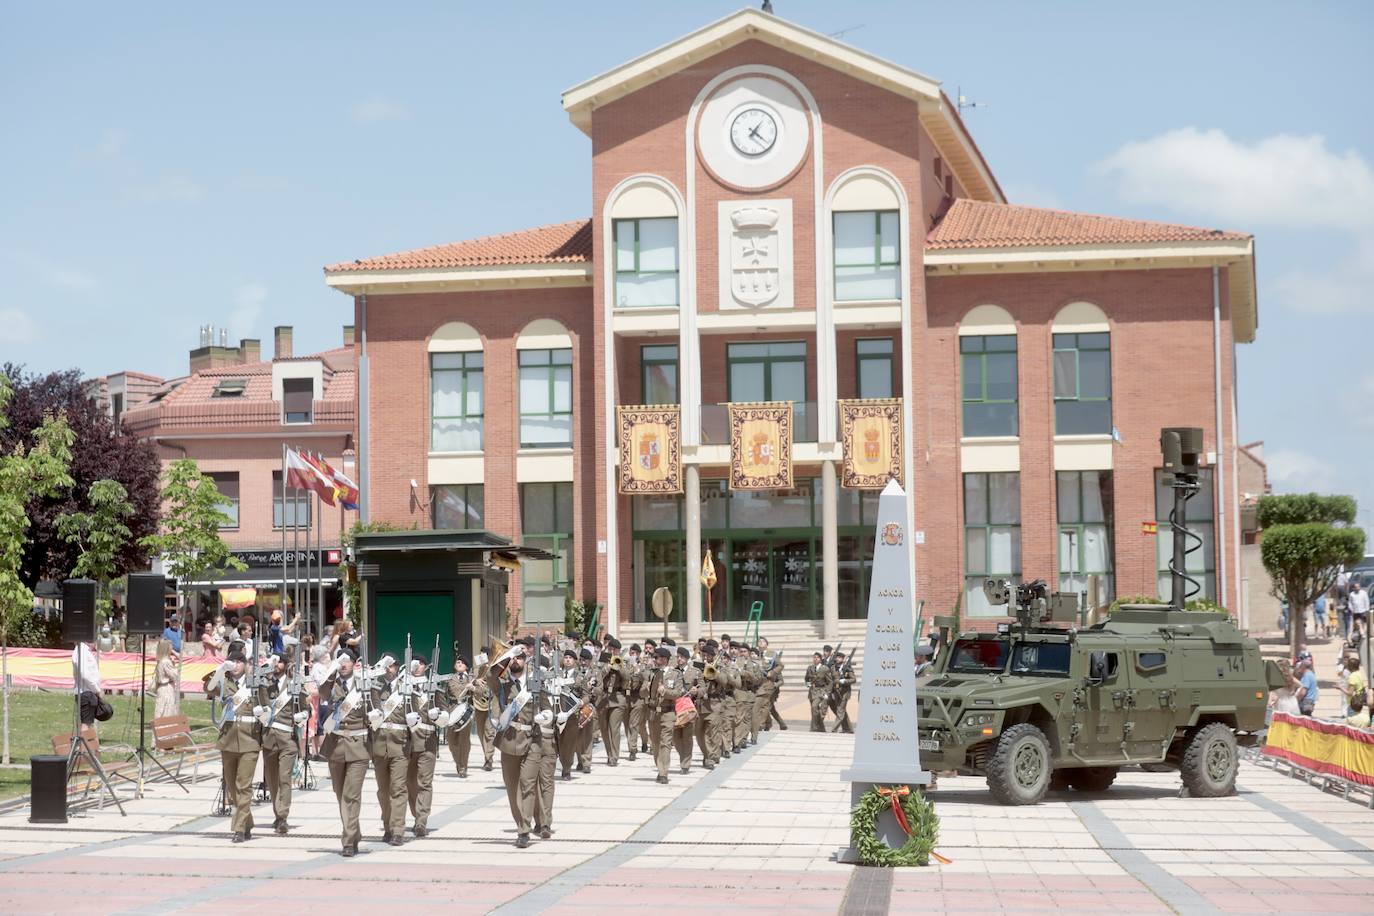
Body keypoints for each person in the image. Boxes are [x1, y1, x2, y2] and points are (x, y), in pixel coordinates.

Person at [490, 643, 558, 848]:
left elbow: (548, 708)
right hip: (509, 740)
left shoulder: (535, 684)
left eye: (520, 658)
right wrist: (508, 653)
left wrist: (545, 715)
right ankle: (521, 822)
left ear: (526, 661)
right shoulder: (502, 684)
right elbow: (489, 674)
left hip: (532, 741)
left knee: (528, 786)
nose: (516, 661)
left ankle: (524, 830)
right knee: (513, 789)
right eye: (514, 658)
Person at [202, 650, 259, 843]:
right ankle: (247, 821)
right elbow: (207, 687)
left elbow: (266, 706)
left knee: (244, 785)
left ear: (245, 664)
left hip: (249, 739)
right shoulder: (223, 682)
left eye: (238, 662)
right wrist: (220, 669)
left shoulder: (255, 683)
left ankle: (239, 828)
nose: (235, 665)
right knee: (232, 788)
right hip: (227, 739)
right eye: (231, 662)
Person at [319, 649, 370, 857]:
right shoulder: (332, 684)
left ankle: (347, 840)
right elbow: (322, 693)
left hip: (359, 746)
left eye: (347, 660)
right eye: (341, 661)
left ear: (354, 663)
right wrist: (331, 669)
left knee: (351, 795)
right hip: (336, 745)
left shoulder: (363, 684)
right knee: (340, 794)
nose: (344, 664)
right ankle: (354, 832)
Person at [369, 654, 410, 846]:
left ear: (397, 667)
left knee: (398, 789)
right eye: (385, 665)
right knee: (383, 791)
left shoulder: (406, 689)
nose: (388, 669)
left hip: (400, 745)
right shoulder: (374, 688)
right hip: (379, 745)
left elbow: (416, 714)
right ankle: (387, 826)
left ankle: (398, 830)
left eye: (392, 665)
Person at [261, 651, 304, 835]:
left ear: (286, 665)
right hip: (269, 738)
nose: (276, 665)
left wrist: (303, 715)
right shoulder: (265, 684)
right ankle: (277, 814)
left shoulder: (293, 685)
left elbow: (305, 706)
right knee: (272, 780)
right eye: (274, 662)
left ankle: (283, 816)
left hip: (287, 738)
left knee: (284, 778)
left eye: (279, 662)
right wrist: (265, 669)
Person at [405, 654, 441, 837]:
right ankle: (415, 813)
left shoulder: (434, 687)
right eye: (414, 662)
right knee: (410, 782)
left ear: (426, 667)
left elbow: (445, 714)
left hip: (427, 740)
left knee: (424, 783)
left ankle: (421, 820)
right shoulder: (404, 686)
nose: (417, 665)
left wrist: (438, 715)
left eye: (420, 663)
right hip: (408, 740)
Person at [645, 646, 684, 785]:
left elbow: (678, 693)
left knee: (665, 743)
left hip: (668, 712)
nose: (655, 660)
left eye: (657, 658)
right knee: (655, 744)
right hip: (653, 712)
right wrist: (648, 687)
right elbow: (642, 692)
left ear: (665, 659)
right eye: (654, 657)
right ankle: (660, 767)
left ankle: (663, 772)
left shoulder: (675, 674)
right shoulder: (650, 673)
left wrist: (665, 691)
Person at [598, 639, 629, 767]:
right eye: (610, 649)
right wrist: (607, 668)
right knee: (604, 729)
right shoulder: (602, 661)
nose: (611, 651)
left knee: (614, 728)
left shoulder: (623, 662)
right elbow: (597, 676)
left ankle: (614, 756)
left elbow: (627, 678)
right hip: (603, 697)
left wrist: (619, 667)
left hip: (617, 698)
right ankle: (609, 753)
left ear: (618, 651)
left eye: (614, 650)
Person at [673, 646, 700, 774]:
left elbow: (703, 686)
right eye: (678, 657)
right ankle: (682, 756)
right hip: (676, 708)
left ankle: (686, 763)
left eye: (682, 657)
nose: (679, 659)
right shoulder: (672, 672)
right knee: (676, 738)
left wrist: (697, 691)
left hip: (689, 708)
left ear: (687, 658)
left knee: (687, 737)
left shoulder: (694, 671)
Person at [73, 641, 104, 725]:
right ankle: (84, 737)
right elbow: (85, 674)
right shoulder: (82, 651)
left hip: (85, 692)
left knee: (86, 723)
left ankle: (88, 738)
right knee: (86, 724)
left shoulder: (82, 650)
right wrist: (97, 690)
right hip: (87, 692)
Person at [805, 652, 834, 733]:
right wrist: (808, 684)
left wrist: (827, 693)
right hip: (812, 692)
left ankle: (813, 728)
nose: (815, 659)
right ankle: (822, 729)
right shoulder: (810, 668)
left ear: (821, 659)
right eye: (814, 657)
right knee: (814, 711)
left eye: (817, 657)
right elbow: (806, 678)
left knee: (814, 707)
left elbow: (830, 682)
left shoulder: (824, 668)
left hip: (820, 691)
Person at [153, 638, 181, 719]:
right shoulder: (166, 662)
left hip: (162, 687)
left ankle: (162, 728)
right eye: (170, 646)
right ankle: (165, 729)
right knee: (167, 710)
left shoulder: (161, 660)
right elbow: (175, 675)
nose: (172, 648)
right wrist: (176, 666)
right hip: (166, 688)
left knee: (162, 709)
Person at [831, 652, 855, 734]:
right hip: (837, 692)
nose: (837, 659)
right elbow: (832, 681)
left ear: (843, 659)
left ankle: (834, 730)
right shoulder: (833, 668)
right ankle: (849, 729)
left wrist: (844, 681)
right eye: (837, 657)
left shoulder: (847, 668)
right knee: (842, 711)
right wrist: (832, 692)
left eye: (840, 657)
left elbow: (853, 679)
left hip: (845, 692)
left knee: (840, 710)